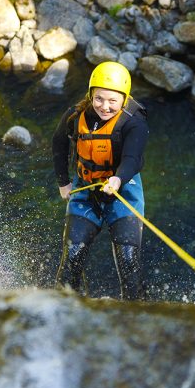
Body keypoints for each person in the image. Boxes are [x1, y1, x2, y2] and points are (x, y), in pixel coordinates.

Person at [52, 61, 149, 299]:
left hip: (123, 191)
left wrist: (117, 179)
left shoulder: (134, 122)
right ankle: (72, 309)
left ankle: (135, 314)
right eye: (99, 99)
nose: (105, 107)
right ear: (90, 95)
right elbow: (59, 143)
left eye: (112, 101)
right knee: (72, 258)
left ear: (124, 99)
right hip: (86, 189)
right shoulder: (76, 115)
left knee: (128, 262)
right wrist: (63, 182)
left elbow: (132, 158)